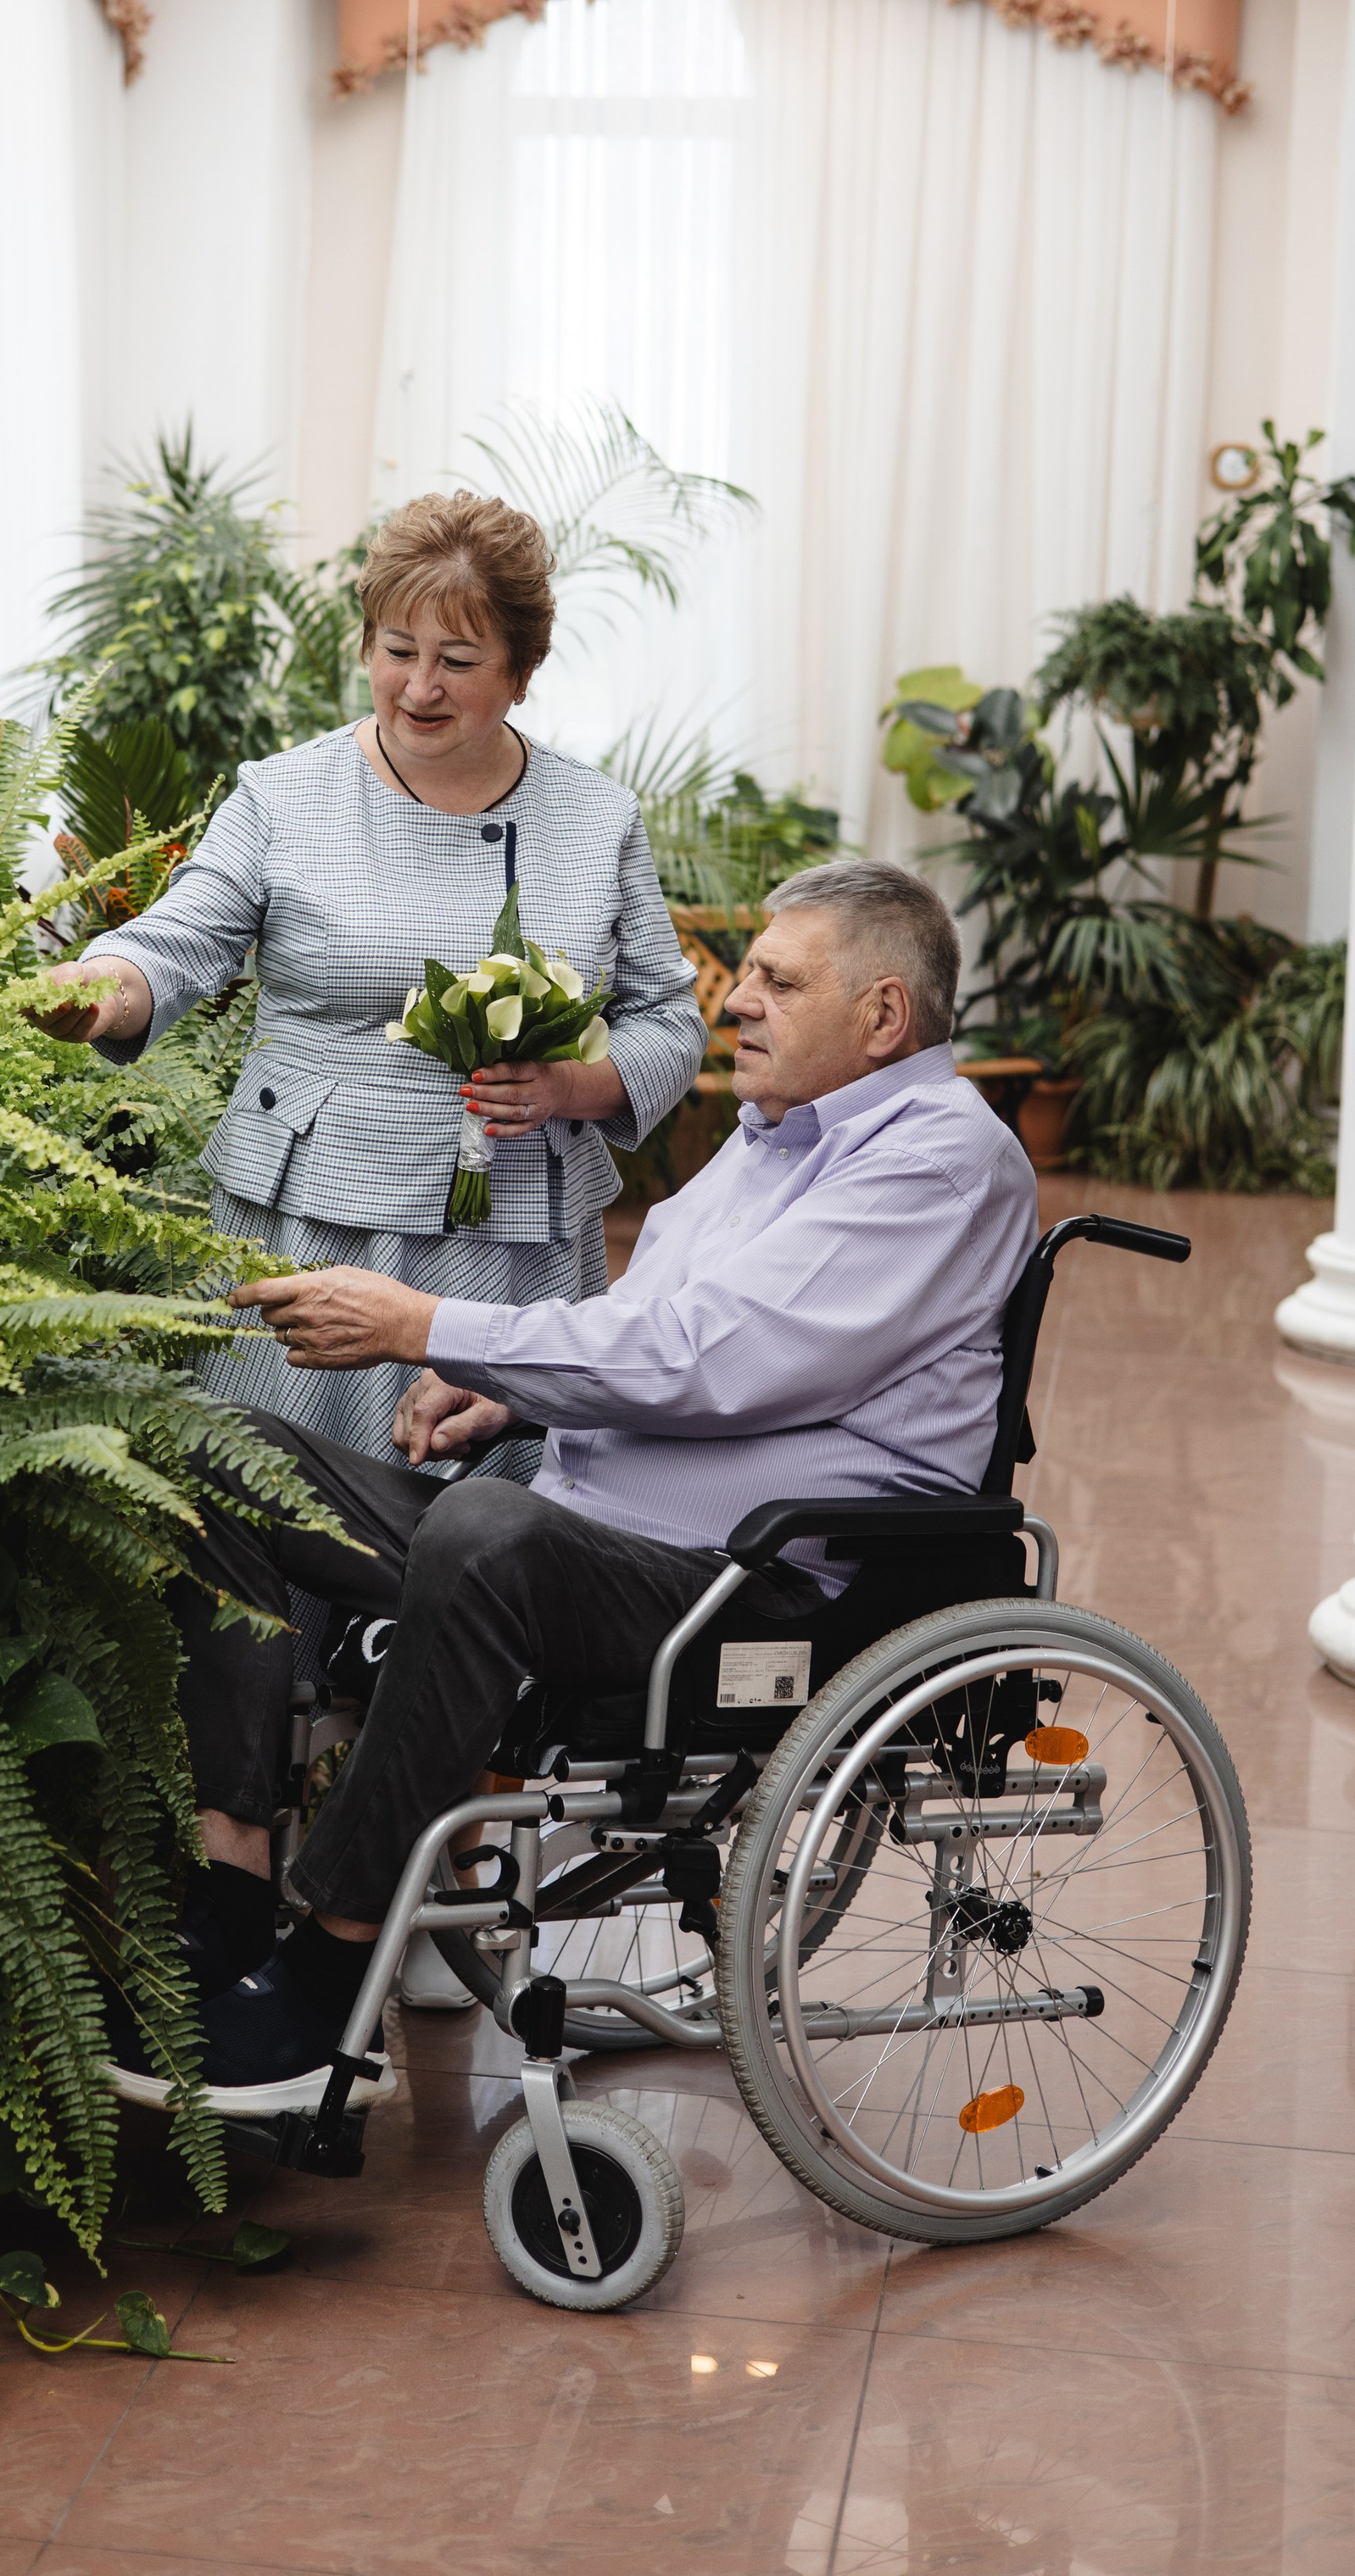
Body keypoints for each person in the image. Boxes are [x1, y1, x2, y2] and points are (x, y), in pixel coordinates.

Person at [111, 856, 1038, 2112]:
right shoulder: (771, 1141)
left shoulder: (938, 1160)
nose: (737, 1002)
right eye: (746, 977)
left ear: (882, 1016)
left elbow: (714, 1360)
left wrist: (430, 1327)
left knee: (490, 1530)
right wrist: (516, 1390)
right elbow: (659, 1323)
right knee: (219, 1456)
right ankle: (227, 1897)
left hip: (748, 1588)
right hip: (590, 1536)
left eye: (775, 979)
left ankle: (328, 1985)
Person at [36, 488, 703, 1483]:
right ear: (364, 646)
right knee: (287, 1514)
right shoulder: (284, 793)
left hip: (513, 1240)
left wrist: (573, 1088)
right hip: (312, 1224)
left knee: (481, 1545)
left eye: (458, 662)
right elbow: (181, 938)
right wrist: (105, 985)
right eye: (398, 650)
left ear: (522, 673)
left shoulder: (595, 817)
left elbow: (668, 1018)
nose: (419, 686)